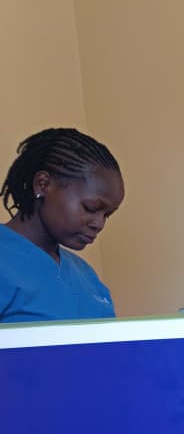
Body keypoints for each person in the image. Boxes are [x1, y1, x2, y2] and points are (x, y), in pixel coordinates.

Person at [1, 128, 124, 323]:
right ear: (43, 184)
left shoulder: (87, 276)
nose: (99, 224)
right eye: (90, 208)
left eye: (107, 215)